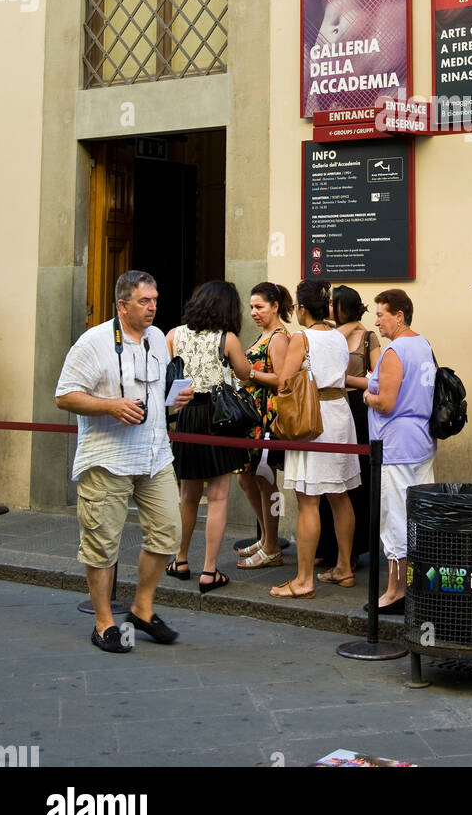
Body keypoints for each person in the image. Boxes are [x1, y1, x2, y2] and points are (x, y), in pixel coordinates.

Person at [54, 270, 190, 652]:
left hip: (154, 454)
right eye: (144, 301)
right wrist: (111, 405)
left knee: (168, 533)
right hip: (107, 457)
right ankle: (104, 623)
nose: (152, 308)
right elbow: (64, 396)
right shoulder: (93, 342)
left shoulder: (157, 341)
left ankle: (142, 609)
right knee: (102, 542)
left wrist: (175, 398)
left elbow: (155, 394)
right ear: (122, 305)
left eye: (155, 301)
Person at [271, 280, 360, 599]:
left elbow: (284, 380)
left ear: (302, 308)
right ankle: (344, 567)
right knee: (340, 495)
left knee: (308, 498)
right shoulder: (339, 335)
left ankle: (304, 578)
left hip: (312, 416)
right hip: (339, 412)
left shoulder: (301, 337)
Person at [166, 281, 253, 594]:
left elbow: (166, 376)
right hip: (218, 416)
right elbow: (244, 373)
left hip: (187, 415)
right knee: (217, 497)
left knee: (188, 495)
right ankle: (209, 571)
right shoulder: (227, 339)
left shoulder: (174, 335)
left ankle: (180, 559)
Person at [363, 288, 435, 613]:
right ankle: (416, 585)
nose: (376, 321)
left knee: (395, 518)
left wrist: (368, 398)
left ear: (399, 316)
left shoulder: (395, 350)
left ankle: (395, 591)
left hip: (396, 446)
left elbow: (387, 402)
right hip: (422, 441)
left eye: (381, 314)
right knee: (418, 518)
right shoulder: (424, 345)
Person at [315, 285, 380, 568]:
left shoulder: (368, 337)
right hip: (330, 407)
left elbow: (376, 381)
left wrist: (344, 379)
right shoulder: (326, 332)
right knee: (327, 479)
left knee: (355, 481)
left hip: (358, 408)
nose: (328, 306)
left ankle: (351, 553)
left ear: (344, 305)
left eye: (332, 302)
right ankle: (326, 549)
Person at [235, 283, 293, 571]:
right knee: (247, 478)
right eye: (252, 307)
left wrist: (251, 373)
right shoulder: (266, 335)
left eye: (259, 307)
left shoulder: (279, 338)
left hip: (268, 419)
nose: (254, 312)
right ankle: (267, 537)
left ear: (274, 306)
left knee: (266, 482)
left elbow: (283, 378)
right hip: (254, 418)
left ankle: (272, 545)